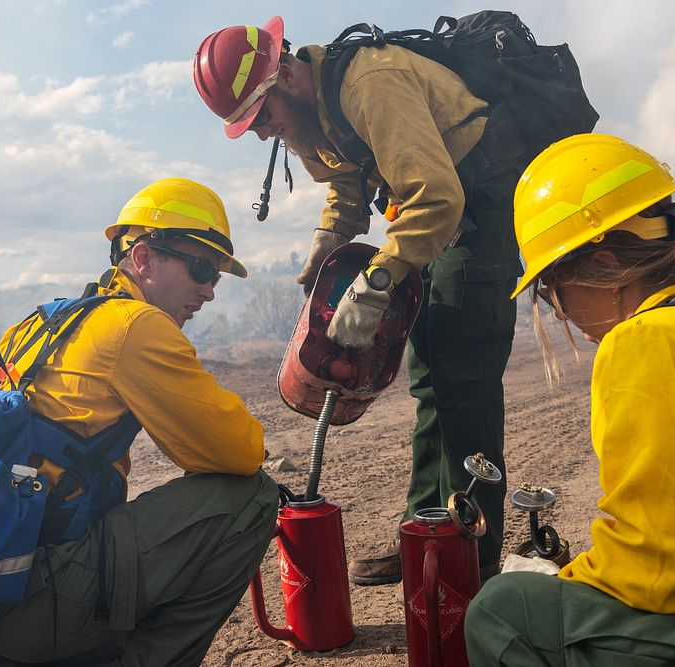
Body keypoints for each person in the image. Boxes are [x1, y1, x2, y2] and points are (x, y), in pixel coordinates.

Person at [194, 17, 529, 582]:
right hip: (431, 222)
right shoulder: (312, 115)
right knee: (428, 381)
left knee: (464, 381)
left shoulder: (374, 84)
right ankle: (426, 534)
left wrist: (378, 281)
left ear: (286, 77)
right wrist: (332, 236)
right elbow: (347, 176)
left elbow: (437, 196)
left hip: (476, 207)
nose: (258, 133)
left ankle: (473, 555)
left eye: (260, 116)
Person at [0, 178, 278, 667]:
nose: (209, 292)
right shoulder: (136, 325)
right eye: (200, 269)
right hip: (43, 602)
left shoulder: (41, 322)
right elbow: (238, 453)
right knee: (251, 496)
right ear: (144, 258)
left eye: (215, 278)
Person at [463, 134, 675, 667]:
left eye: (552, 289)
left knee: (503, 609)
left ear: (604, 269)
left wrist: (559, 583)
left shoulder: (646, 342)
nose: (559, 309)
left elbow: (656, 573)